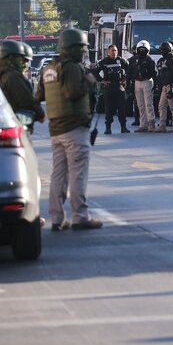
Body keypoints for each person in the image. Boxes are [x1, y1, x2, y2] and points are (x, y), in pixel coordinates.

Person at [35, 28, 103, 231]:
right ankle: (80, 216)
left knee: (59, 174)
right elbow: (73, 93)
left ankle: (56, 218)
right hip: (74, 127)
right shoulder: (72, 67)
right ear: (73, 48)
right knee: (77, 173)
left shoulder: (49, 69)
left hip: (56, 129)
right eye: (81, 49)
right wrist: (89, 82)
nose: (83, 53)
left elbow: (38, 96)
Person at [0, 40, 45, 130]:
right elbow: (26, 99)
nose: (25, 64)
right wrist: (40, 114)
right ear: (11, 58)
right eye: (22, 60)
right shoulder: (13, 76)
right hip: (16, 125)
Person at [93, 44, 130, 135]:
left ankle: (123, 127)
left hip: (119, 86)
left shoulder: (121, 60)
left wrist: (125, 78)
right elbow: (94, 72)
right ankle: (108, 128)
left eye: (116, 50)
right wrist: (102, 81)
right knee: (109, 109)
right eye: (112, 50)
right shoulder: (104, 61)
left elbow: (130, 69)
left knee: (122, 109)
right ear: (108, 52)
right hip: (109, 87)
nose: (114, 52)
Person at [129, 40, 156, 132]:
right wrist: (129, 83)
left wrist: (147, 76)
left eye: (143, 49)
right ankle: (143, 124)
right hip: (137, 82)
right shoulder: (133, 59)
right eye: (140, 49)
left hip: (146, 81)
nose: (141, 50)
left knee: (148, 103)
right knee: (140, 104)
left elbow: (154, 72)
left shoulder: (149, 60)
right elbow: (130, 71)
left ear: (147, 49)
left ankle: (151, 122)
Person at [155, 41, 173, 133]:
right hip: (164, 85)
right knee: (161, 106)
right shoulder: (162, 60)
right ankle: (162, 125)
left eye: (163, 50)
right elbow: (160, 74)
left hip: (171, 85)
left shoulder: (172, 59)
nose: (162, 52)